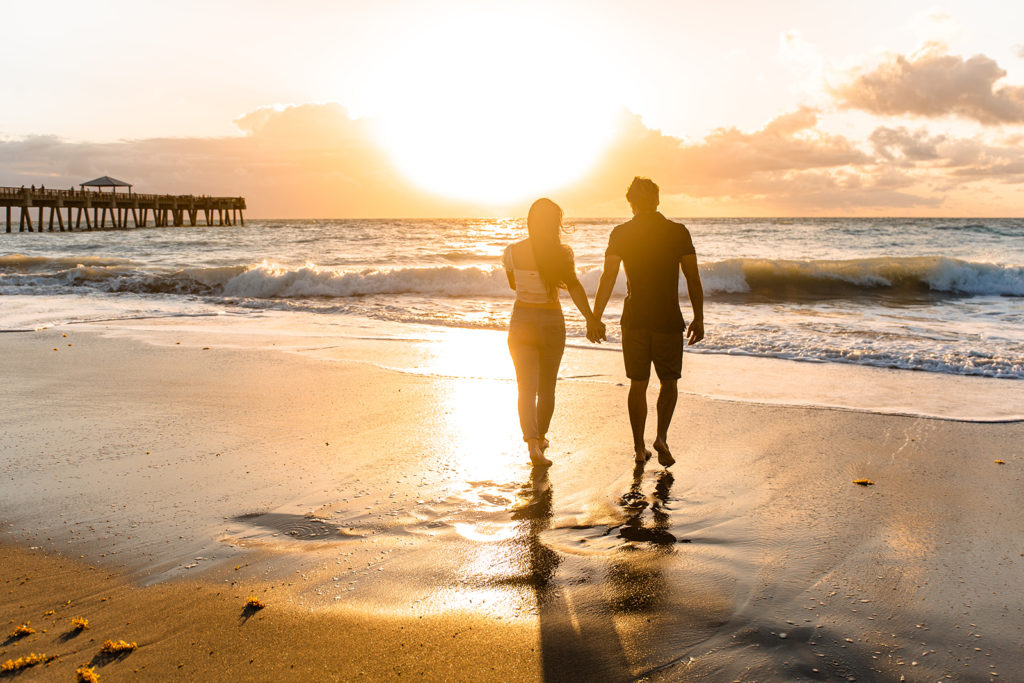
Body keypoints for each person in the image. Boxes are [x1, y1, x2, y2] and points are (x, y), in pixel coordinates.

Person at [593, 177, 704, 467]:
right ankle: (662, 437)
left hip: (635, 319)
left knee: (638, 384)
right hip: (668, 318)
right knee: (669, 382)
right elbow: (693, 277)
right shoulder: (677, 232)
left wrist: (596, 316)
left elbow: (607, 277)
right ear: (657, 199)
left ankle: (639, 447)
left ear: (631, 203)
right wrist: (699, 318)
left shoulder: (621, 233)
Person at [504, 198, 605, 467]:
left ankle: (533, 446)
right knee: (547, 388)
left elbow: (514, 284)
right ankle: (542, 437)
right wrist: (591, 318)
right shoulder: (562, 253)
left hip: (522, 320)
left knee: (525, 388)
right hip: (551, 321)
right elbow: (573, 286)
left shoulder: (512, 252)